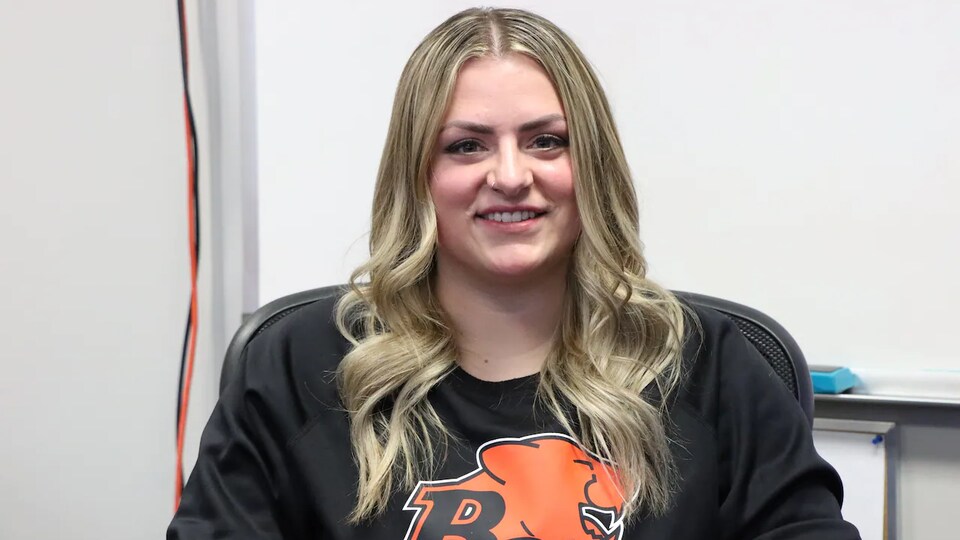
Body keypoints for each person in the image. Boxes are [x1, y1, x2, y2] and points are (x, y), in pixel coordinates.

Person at [168, 7, 860, 539]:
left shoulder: (708, 364)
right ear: (419, 177)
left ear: (591, 165)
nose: (509, 176)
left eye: (546, 141)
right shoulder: (298, 365)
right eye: (466, 146)